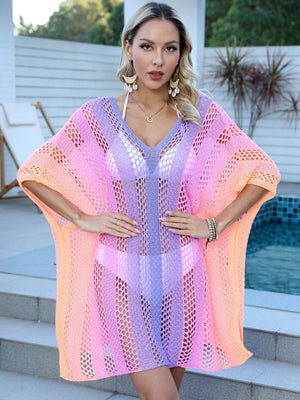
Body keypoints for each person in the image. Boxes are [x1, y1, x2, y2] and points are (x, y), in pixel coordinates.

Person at [17, 2, 280, 400]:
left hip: (186, 275)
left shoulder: (199, 115)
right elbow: (34, 173)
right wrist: (82, 218)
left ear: (181, 53)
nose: (158, 60)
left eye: (170, 48)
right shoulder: (97, 116)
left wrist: (214, 225)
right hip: (118, 273)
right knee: (162, 396)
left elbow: (262, 173)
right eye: (147, 46)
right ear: (128, 48)